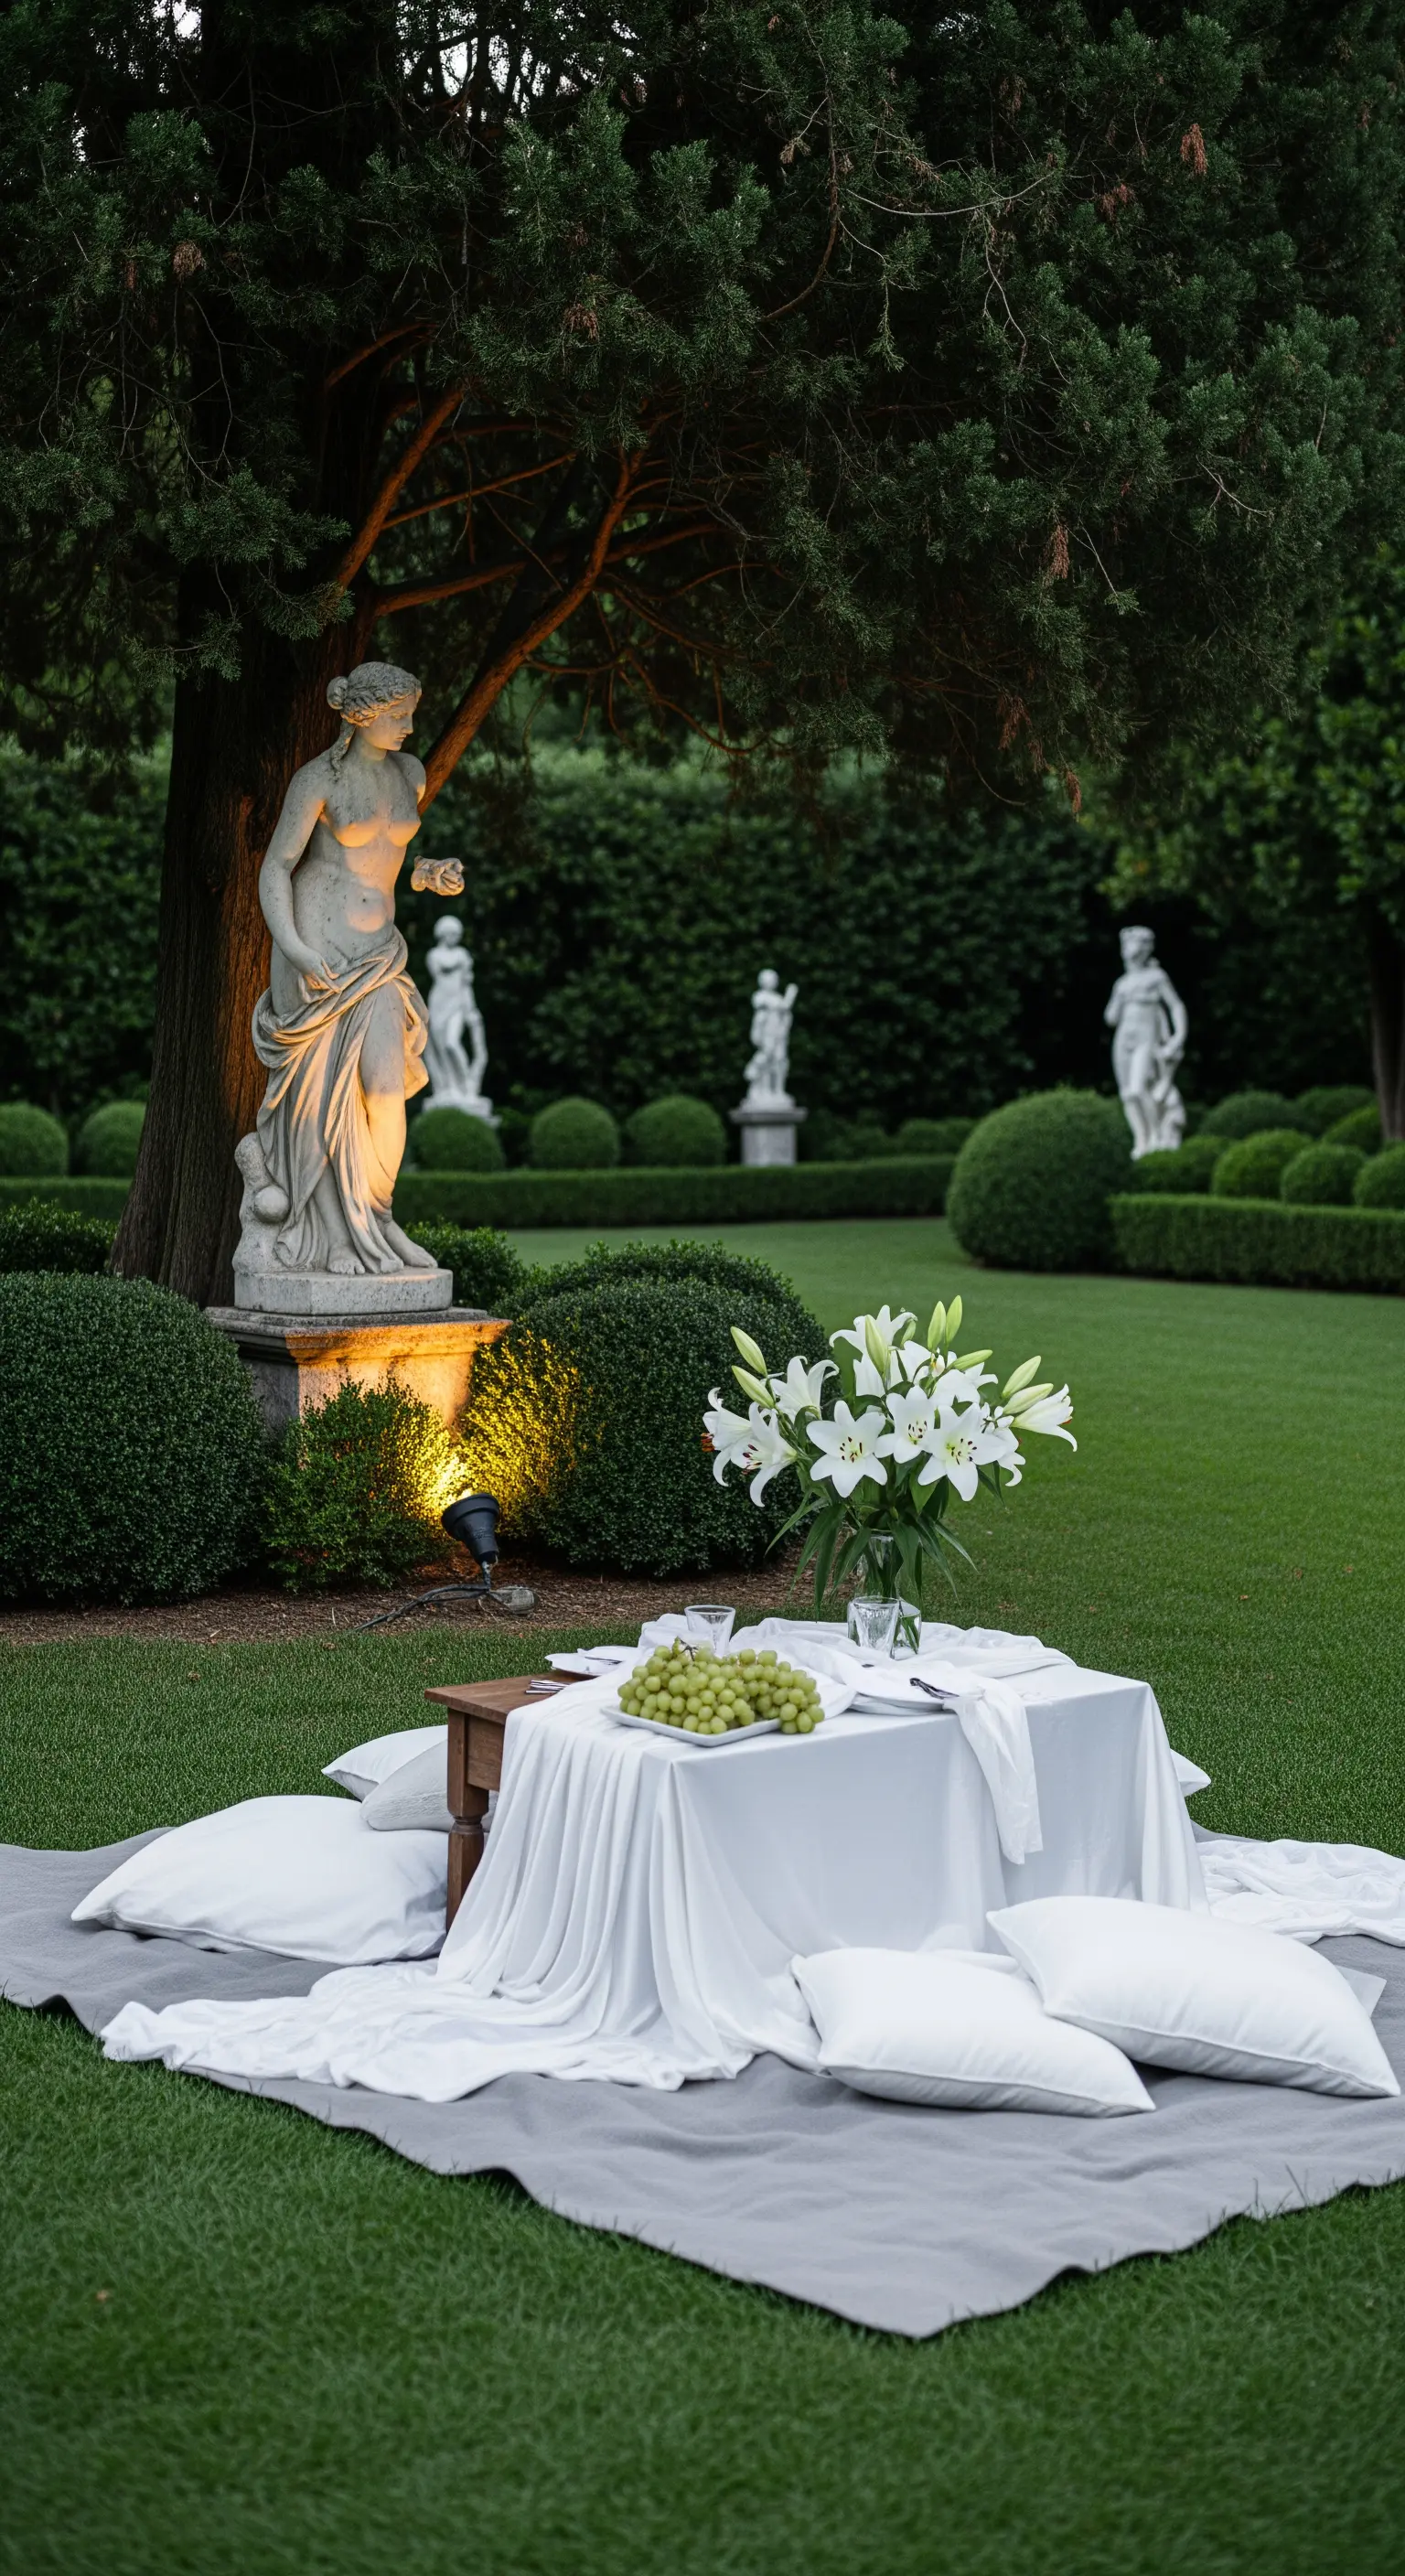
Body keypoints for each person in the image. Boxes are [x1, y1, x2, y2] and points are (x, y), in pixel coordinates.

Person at [240, 660, 463, 1277]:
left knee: (386, 1096)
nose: (409, 727)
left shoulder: (408, 775)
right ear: (360, 715)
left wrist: (426, 875)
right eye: (397, 716)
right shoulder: (318, 781)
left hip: (378, 954)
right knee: (318, 1105)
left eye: (411, 713)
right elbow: (277, 866)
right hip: (319, 953)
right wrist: (292, 944)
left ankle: (379, 1221)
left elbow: (390, 862)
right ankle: (336, 1238)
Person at [1104, 926, 1188, 1157]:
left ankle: (1156, 1138)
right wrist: (1121, 999)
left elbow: (1176, 1006)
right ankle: (1140, 1141)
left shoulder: (1156, 977)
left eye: (1137, 944)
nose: (1132, 949)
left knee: (1139, 1089)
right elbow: (1110, 1018)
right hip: (1124, 1039)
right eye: (1129, 943)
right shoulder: (1122, 984)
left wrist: (1178, 1037)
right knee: (1127, 1094)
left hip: (1145, 1038)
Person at [424, 917, 490, 1111]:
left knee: (452, 1043)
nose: (455, 937)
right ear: (442, 934)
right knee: (440, 1048)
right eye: (451, 933)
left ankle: (466, 1086)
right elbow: (439, 972)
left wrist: (471, 1008)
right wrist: (461, 965)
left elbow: (466, 985)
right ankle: (449, 1088)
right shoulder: (434, 955)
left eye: (457, 934)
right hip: (438, 1003)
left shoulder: (463, 954)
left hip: (457, 1004)